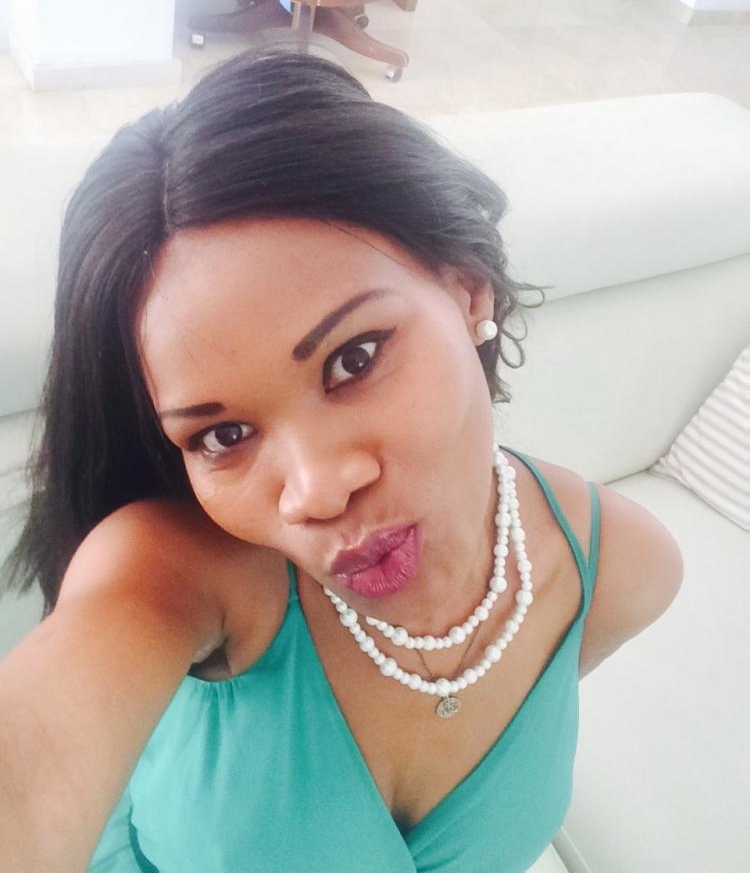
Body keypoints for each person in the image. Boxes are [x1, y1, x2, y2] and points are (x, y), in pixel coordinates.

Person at [0, 50, 683, 873]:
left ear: (467, 291)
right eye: (223, 436)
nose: (316, 492)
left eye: (354, 359)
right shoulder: (178, 573)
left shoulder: (622, 571)